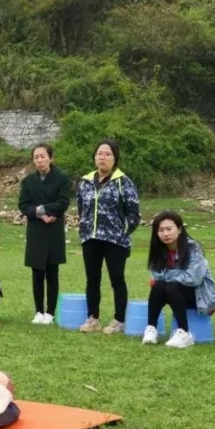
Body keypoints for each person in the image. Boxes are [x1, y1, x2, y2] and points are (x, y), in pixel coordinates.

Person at [75, 140, 141, 335]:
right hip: (90, 238)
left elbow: (134, 214)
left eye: (108, 154)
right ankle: (93, 318)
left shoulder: (124, 182)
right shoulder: (85, 182)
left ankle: (119, 319)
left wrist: (122, 233)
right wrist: (84, 228)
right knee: (92, 279)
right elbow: (81, 209)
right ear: (94, 157)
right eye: (100, 153)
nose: (103, 157)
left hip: (115, 241)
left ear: (115, 158)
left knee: (117, 279)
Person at [142, 211, 215, 349]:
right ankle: (151, 328)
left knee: (169, 285)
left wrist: (168, 276)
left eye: (169, 229)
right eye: (160, 230)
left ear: (179, 229)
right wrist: (167, 279)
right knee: (159, 286)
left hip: (199, 297)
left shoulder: (193, 248)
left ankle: (184, 332)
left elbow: (194, 279)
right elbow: (156, 277)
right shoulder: (158, 250)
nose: (165, 234)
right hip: (173, 293)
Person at [18, 144, 70, 325]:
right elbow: (23, 205)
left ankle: (50, 312)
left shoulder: (62, 178)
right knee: (37, 271)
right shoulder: (28, 182)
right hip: (36, 229)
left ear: (50, 158)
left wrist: (48, 211)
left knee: (52, 271)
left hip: (54, 229)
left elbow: (63, 202)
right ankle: (39, 310)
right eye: (36, 157)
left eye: (42, 156)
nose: (39, 160)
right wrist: (40, 213)